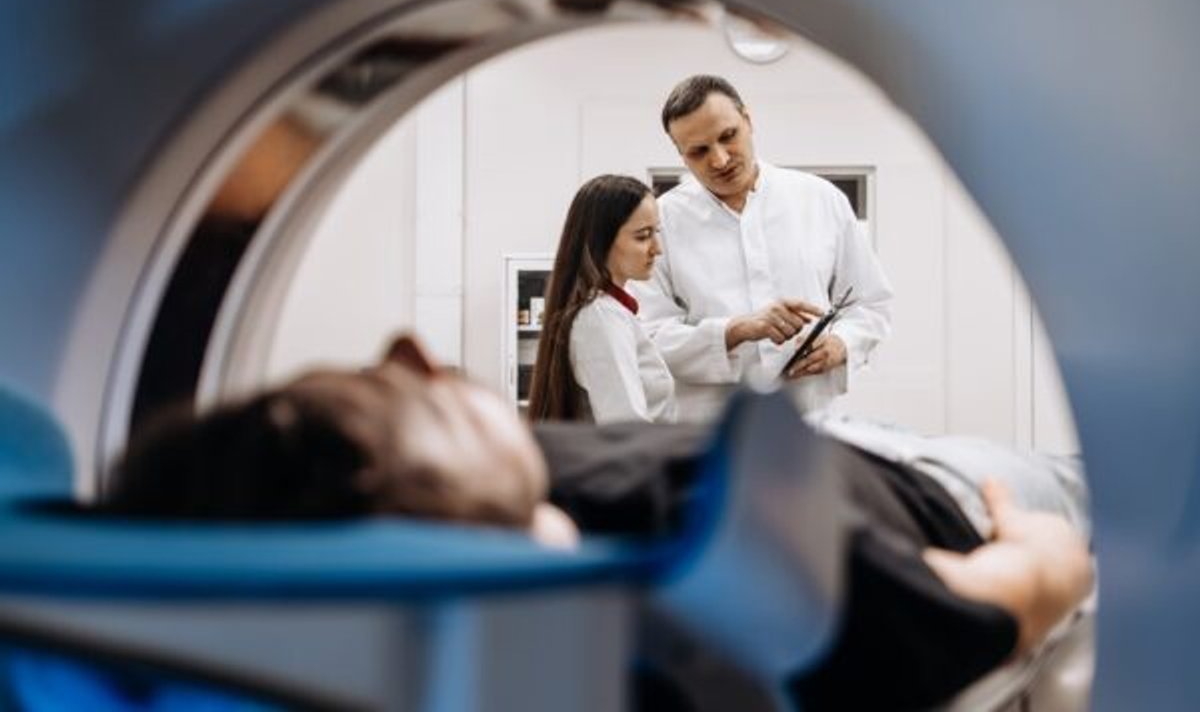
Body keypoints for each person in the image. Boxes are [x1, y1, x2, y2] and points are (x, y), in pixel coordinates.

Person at [106, 334, 1093, 710]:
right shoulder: (745, 575)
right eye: (400, 384)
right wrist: (1042, 550)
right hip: (947, 488)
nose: (414, 354)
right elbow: (1031, 585)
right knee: (1087, 481)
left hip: (825, 442)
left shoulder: (504, 485)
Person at [634, 74, 893, 421]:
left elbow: (870, 304)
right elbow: (648, 339)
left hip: (809, 419)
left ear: (748, 119)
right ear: (681, 155)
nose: (721, 160)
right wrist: (737, 330)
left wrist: (841, 344)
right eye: (699, 152)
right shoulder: (661, 222)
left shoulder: (820, 200)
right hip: (707, 429)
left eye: (728, 137)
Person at [528, 174, 677, 424]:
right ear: (601, 241)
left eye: (656, 232)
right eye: (643, 236)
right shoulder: (601, 317)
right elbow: (626, 429)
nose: (657, 248)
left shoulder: (607, 311)